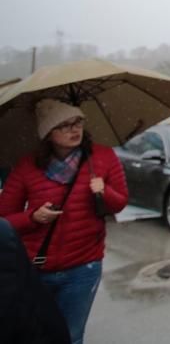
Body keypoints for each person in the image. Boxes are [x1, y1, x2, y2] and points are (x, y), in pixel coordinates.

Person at [0, 99, 128, 344]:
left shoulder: (102, 157)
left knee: (70, 336)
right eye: (64, 125)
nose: (74, 130)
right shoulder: (28, 165)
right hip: (35, 269)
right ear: (48, 133)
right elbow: (4, 219)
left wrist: (104, 192)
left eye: (78, 122)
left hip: (83, 268)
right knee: (34, 334)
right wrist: (32, 217)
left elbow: (120, 202)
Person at [1, 217, 71, 343]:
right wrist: (32, 217)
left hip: (83, 265)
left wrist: (103, 197)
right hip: (38, 263)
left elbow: (115, 206)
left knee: (73, 331)